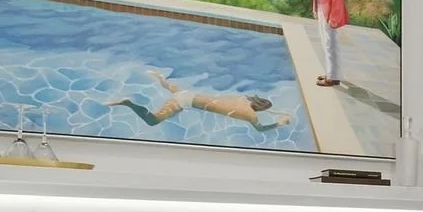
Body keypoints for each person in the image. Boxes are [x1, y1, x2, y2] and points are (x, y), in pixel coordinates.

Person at [112, 70, 293, 132]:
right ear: (259, 109)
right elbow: (260, 129)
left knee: (173, 89)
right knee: (153, 121)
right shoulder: (250, 115)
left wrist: (266, 108)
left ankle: (160, 78)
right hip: (186, 102)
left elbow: (256, 105)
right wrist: (280, 123)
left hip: (190, 95)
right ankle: (129, 103)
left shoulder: (244, 99)